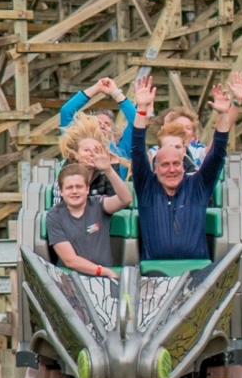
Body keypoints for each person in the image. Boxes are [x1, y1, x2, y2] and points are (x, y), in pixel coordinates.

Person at [131, 75, 232, 261]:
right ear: (155, 167)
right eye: (165, 165)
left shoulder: (197, 187)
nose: (171, 170)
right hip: (154, 273)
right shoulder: (147, 188)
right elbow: (137, 149)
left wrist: (223, 115)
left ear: (183, 164)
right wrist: (142, 109)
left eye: (176, 164)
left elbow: (217, 153)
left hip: (194, 273)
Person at [46, 154, 132, 280]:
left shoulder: (98, 204)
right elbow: (70, 260)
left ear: (87, 189)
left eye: (79, 187)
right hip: (70, 279)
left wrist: (108, 170)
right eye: (69, 187)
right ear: (61, 192)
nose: (74, 191)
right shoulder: (54, 215)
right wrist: (102, 271)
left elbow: (125, 200)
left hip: (103, 278)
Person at [60, 77, 136, 178]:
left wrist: (115, 92)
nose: (102, 125)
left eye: (107, 124)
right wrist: (97, 88)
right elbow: (66, 111)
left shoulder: (121, 150)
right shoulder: (77, 147)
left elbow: (136, 121)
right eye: (98, 123)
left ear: (112, 131)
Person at [54, 113, 122, 204]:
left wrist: (112, 168)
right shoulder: (65, 175)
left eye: (96, 150)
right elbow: (58, 209)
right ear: (76, 154)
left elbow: (118, 203)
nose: (92, 154)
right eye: (87, 150)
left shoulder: (104, 173)